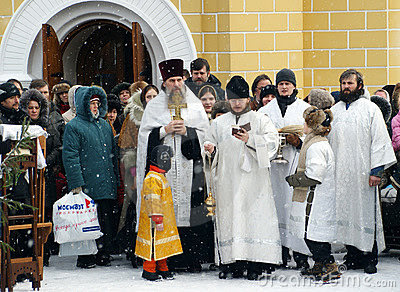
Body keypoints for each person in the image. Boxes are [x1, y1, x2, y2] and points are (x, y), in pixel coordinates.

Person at [136, 58, 211, 272]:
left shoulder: (195, 104)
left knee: (190, 210)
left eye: (179, 79)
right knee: (166, 212)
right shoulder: (154, 105)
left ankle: (192, 258)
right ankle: (165, 258)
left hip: (189, 168)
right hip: (164, 171)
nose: (177, 84)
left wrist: (188, 132)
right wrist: (164, 130)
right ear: (164, 82)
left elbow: (206, 135)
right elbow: (144, 138)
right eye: (172, 80)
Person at [204, 76, 281, 280]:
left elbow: (273, 144)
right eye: (233, 99)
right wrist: (210, 149)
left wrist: (252, 140)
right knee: (231, 220)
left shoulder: (260, 119)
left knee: (254, 220)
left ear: (248, 99)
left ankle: (256, 264)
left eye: (240, 99)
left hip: (254, 182)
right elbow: (210, 143)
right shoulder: (219, 123)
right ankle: (232, 263)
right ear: (228, 99)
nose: (237, 103)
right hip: (228, 181)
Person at [328, 69, 396, 274]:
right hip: (341, 173)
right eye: (343, 83)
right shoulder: (335, 111)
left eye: (350, 83)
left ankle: (369, 258)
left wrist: (376, 170)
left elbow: (380, 141)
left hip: (364, 173)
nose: (346, 87)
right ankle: (353, 256)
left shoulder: (370, 109)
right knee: (347, 214)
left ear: (359, 85)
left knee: (365, 215)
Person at [258, 68, 311, 269]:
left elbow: (312, 136)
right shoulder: (265, 111)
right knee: (275, 209)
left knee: (295, 208)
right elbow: (260, 135)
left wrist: (298, 141)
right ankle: (277, 254)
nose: (284, 87)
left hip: (295, 164)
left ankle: (300, 254)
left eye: (287, 83)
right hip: (273, 167)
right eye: (281, 84)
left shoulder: (304, 109)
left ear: (294, 86)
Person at [63, 86, 119, 269]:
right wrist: (76, 183)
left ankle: (103, 253)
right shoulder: (74, 126)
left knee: (105, 220)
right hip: (87, 183)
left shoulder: (104, 125)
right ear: (83, 105)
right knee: (86, 221)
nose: (95, 107)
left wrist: (115, 178)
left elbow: (113, 153)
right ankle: (86, 256)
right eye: (91, 103)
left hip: (105, 181)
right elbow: (70, 156)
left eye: (97, 103)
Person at [286, 106, 340, 281]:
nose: (303, 125)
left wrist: (295, 180)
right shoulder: (315, 142)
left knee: (314, 234)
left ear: (313, 126)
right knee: (312, 234)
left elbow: (315, 175)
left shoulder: (316, 146)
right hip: (315, 197)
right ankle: (319, 263)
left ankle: (329, 265)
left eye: (305, 122)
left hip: (315, 199)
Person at [19, 89, 63, 266]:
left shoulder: (47, 125)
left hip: (45, 176)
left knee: (45, 214)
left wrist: (45, 162)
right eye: (30, 107)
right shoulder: (20, 127)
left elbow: (57, 147)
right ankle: (30, 252)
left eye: (36, 107)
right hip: (26, 177)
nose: (34, 111)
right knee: (30, 214)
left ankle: (44, 253)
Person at [135, 145, 183, 281]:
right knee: (153, 245)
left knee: (162, 244)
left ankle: (163, 267)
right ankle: (148, 269)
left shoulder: (159, 176)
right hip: (154, 222)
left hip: (162, 219)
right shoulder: (152, 178)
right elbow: (152, 200)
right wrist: (157, 218)